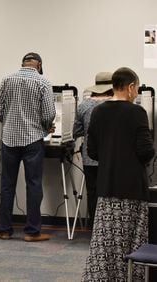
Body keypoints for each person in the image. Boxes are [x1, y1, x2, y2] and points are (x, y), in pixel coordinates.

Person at [82, 67, 154, 281]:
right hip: (132, 187)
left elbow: (92, 150)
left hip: (106, 186)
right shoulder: (137, 112)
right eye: (138, 88)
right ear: (131, 87)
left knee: (106, 239)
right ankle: (129, 276)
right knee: (130, 239)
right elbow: (146, 150)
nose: (137, 93)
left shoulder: (98, 111)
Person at [0, 52, 55, 242]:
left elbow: (0, 111)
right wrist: (46, 127)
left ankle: (4, 230)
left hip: (9, 139)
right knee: (34, 185)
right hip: (32, 139)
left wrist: (10, 124)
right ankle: (31, 232)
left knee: (7, 185)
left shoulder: (6, 79)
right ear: (39, 65)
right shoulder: (43, 82)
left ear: (22, 63)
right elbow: (48, 114)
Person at [73, 72, 113, 229]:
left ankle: (94, 227)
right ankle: (108, 227)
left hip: (90, 156)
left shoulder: (84, 105)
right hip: (112, 157)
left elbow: (76, 131)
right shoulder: (116, 105)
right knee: (110, 192)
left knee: (92, 192)